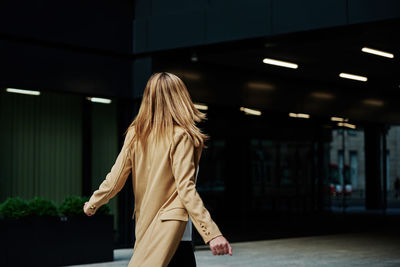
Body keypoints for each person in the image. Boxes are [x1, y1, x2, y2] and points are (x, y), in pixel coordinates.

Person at [83, 72, 232, 267]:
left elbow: (115, 179)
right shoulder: (181, 136)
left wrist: (93, 203)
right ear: (181, 98)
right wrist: (212, 233)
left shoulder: (136, 134)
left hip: (146, 228)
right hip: (174, 233)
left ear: (149, 98)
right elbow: (185, 188)